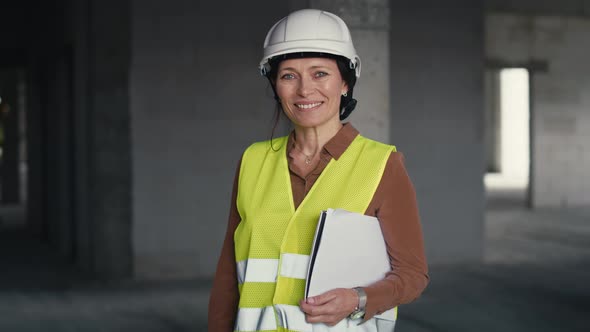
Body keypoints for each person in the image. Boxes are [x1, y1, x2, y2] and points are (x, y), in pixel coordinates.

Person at [208, 8, 428, 332]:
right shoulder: (252, 161)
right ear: (275, 86)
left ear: (345, 83)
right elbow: (229, 274)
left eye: (320, 73)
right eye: (288, 75)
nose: (304, 90)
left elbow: (412, 275)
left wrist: (359, 299)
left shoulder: (383, 165)